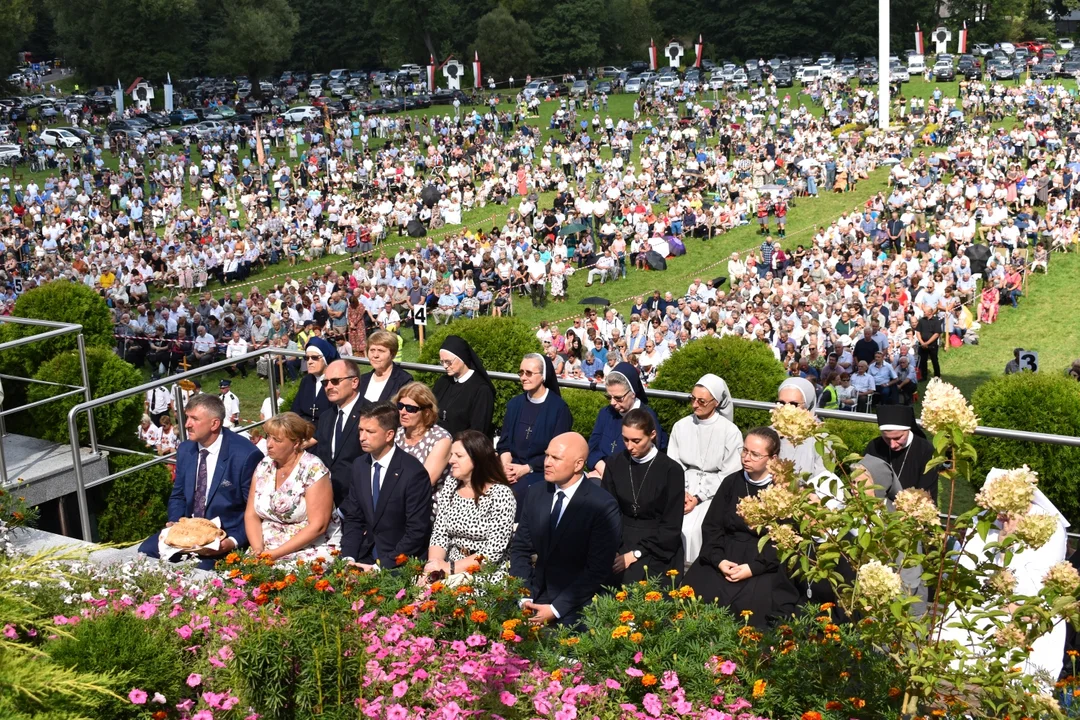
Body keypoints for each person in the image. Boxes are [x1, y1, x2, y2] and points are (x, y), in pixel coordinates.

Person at [685, 427, 800, 628]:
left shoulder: (783, 490)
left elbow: (785, 540)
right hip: (726, 553)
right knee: (697, 597)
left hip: (763, 562)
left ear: (772, 459)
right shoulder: (732, 482)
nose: (746, 458)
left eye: (755, 454)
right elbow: (712, 526)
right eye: (744, 451)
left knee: (754, 606)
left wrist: (752, 568)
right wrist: (718, 560)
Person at [137, 394, 264, 570]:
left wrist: (233, 541)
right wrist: (175, 523)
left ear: (214, 424)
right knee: (144, 553)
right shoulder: (186, 449)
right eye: (187, 417)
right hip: (188, 533)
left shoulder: (245, 455)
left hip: (224, 536)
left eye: (194, 419)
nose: (187, 424)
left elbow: (256, 510)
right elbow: (178, 495)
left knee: (199, 572)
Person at [510, 432, 621, 627]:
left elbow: (597, 569)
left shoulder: (602, 505)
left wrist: (555, 609)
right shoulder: (536, 492)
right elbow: (520, 548)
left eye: (556, 458)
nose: (547, 462)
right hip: (534, 596)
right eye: (546, 455)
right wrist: (523, 596)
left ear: (578, 464)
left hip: (578, 605)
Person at [338, 402, 433, 566]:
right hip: (365, 554)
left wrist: (380, 567)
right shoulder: (360, 466)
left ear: (389, 435)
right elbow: (354, 517)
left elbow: (416, 531)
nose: (362, 437)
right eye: (360, 430)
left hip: (400, 561)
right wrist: (348, 558)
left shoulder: (413, 473)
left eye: (370, 431)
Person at [601, 409, 685, 585]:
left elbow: (671, 525)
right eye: (625, 439)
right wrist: (611, 548)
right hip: (621, 537)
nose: (629, 446)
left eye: (636, 441)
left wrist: (635, 554)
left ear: (652, 435)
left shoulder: (671, 470)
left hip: (658, 544)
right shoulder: (615, 463)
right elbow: (607, 511)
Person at [667, 374, 744, 565]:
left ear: (716, 402)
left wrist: (698, 496)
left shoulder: (730, 432)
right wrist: (682, 491)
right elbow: (673, 464)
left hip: (715, 490)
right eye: (692, 398)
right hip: (682, 487)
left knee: (696, 529)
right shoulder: (681, 426)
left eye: (701, 401)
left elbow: (729, 473)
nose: (695, 405)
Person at [424, 430, 517, 583]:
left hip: (485, 572)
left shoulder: (501, 495)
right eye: (451, 455)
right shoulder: (451, 485)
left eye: (459, 456)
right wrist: (433, 568)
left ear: (477, 459)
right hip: (448, 566)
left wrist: (451, 568)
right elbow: (440, 534)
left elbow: (493, 552)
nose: (451, 461)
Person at [244, 412, 337, 561]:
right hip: (266, 547)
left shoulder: (313, 469)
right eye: (268, 436)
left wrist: (273, 554)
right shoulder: (264, 465)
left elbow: (318, 525)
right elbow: (251, 515)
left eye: (277, 440)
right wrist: (257, 549)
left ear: (296, 443)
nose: (269, 444)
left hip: (309, 548)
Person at [497, 353, 574, 508]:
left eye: (529, 373)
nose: (523, 377)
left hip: (540, 472)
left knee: (516, 495)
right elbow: (504, 444)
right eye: (521, 373)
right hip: (511, 468)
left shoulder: (558, 409)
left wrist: (526, 468)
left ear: (543, 376)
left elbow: (557, 454)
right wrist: (506, 468)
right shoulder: (514, 404)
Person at [587, 362, 667, 478]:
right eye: (609, 397)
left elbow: (646, 464)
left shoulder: (647, 418)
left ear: (633, 393)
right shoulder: (605, 413)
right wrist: (602, 469)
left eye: (618, 398)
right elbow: (591, 449)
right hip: (601, 474)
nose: (612, 403)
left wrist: (609, 478)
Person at [313, 359, 366, 506]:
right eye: (325, 383)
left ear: (354, 382)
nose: (329, 387)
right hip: (326, 499)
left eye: (335, 381)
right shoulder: (326, 417)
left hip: (358, 503)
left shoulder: (371, 414)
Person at [863, 404, 939, 502]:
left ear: (908, 430)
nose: (892, 445)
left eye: (897, 438)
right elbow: (863, 479)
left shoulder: (925, 450)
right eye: (887, 438)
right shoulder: (874, 446)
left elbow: (927, 493)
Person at [432, 335, 496, 436]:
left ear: (462, 358)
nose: (445, 366)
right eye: (442, 362)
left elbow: (478, 431)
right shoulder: (443, 382)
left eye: (448, 362)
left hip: (463, 448)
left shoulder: (481, 390)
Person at [775, 377, 826, 477]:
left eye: (793, 404)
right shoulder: (769, 433)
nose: (786, 408)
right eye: (781, 403)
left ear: (807, 406)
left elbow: (824, 477)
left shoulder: (820, 437)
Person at [356, 330, 413, 410]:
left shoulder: (404, 381)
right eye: (372, 350)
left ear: (392, 354)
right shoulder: (362, 379)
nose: (375, 355)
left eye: (381, 351)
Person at [291, 336, 338, 426]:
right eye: (307, 358)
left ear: (325, 359)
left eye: (314, 357)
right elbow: (295, 411)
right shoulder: (306, 380)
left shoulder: (335, 382)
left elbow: (334, 419)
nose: (309, 362)